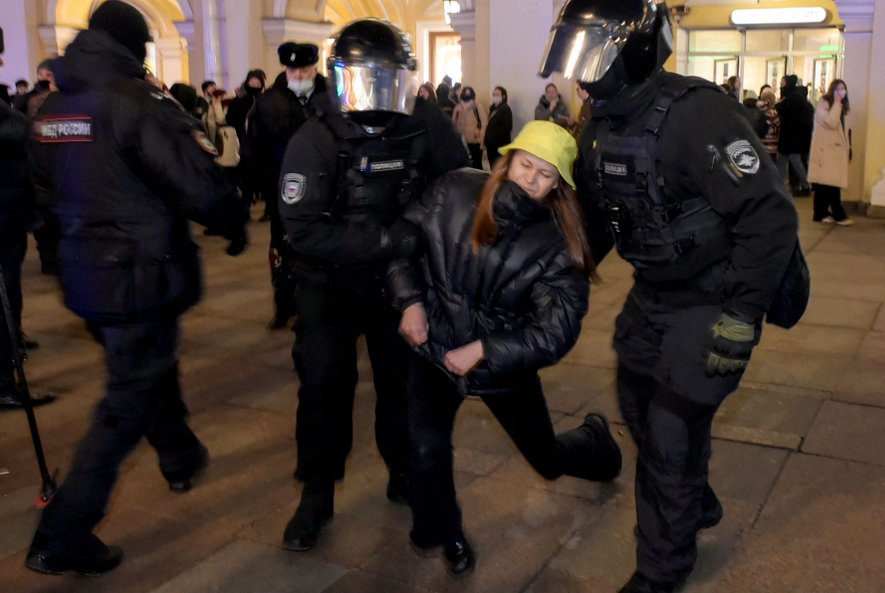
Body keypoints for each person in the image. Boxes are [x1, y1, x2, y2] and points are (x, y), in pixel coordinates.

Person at [539, 2, 799, 592]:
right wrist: (543, 273)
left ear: (634, 50)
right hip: (654, 291)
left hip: (715, 294)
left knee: (670, 435)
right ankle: (692, 501)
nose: (580, 74)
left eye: (593, 56)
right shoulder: (600, 123)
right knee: (634, 399)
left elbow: (770, 216)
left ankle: (662, 568)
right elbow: (602, 221)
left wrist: (740, 318)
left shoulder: (700, 115)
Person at [24, 1, 248, 575]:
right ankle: (63, 532)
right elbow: (195, 179)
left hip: (84, 274)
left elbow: (41, 188)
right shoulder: (136, 101)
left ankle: (178, 455)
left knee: (147, 367)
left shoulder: (58, 104)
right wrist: (232, 221)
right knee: (126, 399)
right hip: (139, 276)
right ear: (137, 46)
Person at [388, 120, 622, 577]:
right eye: (526, 164)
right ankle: (447, 534)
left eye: (545, 174)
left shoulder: (558, 243)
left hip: (501, 368)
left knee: (548, 462)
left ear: (559, 186)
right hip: (434, 351)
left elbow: (556, 331)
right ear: (508, 159)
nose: (530, 178)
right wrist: (410, 303)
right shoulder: (454, 189)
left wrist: (486, 350)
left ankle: (597, 443)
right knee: (425, 449)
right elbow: (402, 244)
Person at [277, 18, 469, 554]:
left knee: (403, 387)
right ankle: (316, 494)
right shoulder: (317, 135)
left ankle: (403, 473)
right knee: (322, 391)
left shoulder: (423, 121)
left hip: (400, 289)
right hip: (329, 286)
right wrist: (393, 240)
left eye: (387, 79)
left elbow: (455, 186)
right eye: (367, 78)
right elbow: (304, 227)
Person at [244, 42, 327, 330]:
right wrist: (255, 184)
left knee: (318, 250)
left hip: (324, 191)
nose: (300, 74)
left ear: (315, 68)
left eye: (305, 69)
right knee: (281, 250)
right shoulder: (268, 102)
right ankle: (284, 304)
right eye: (294, 69)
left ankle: (314, 307)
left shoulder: (332, 96)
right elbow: (254, 147)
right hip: (282, 191)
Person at [0, 91, 56, 410]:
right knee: (3, 302)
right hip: (4, 218)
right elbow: (22, 133)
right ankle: (3, 382)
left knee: (8, 299)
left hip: (10, 216)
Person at [807, 79, 853, 225]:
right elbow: (831, 123)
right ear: (832, 90)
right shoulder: (824, 104)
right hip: (826, 152)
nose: (842, 92)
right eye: (839, 88)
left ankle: (822, 213)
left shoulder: (839, 107)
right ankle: (835, 214)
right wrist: (838, 103)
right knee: (829, 184)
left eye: (844, 88)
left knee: (828, 184)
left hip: (834, 151)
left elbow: (841, 130)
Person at [226, 69, 267, 211]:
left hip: (262, 144)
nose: (255, 85)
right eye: (252, 82)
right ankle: (247, 201)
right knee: (247, 174)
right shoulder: (240, 101)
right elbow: (231, 119)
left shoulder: (264, 99)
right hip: (245, 142)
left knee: (262, 174)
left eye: (258, 83)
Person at [775, 74, 813, 196]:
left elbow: (787, 113)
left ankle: (804, 185)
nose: (781, 87)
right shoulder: (798, 97)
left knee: (789, 160)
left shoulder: (792, 98)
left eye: (782, 84)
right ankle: (783, 185)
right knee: (786, 159)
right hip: (795, 137)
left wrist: (778, 105)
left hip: (791, 137)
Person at [452, 85, 487, 169]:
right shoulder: (458, 108)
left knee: (476, 164)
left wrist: (481, 141)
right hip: (462, 140)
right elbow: (453, 124)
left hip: (475, 141)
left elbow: (484, 124)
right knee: (465, 164)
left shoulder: (478, 107)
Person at [483, 85, 512, 168]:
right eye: (494, 94)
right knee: (492, 166)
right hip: (491, 144)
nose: (495, 96)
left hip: (499, 145)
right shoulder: (493, 108)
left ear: (503, 96)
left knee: (498, 167)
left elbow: (507, 128)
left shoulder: (505, 109)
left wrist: (493, 137)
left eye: (497, 94)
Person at [757, 87, 780, 159]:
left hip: (759, 147)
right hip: (772, 148)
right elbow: (779, 129)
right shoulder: (774, 114)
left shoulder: (757, 111)